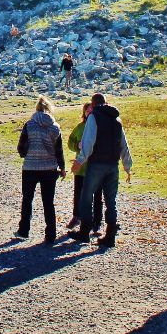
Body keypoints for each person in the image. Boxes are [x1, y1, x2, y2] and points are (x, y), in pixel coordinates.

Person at [69, 92, 133, 249]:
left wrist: (80, 161)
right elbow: (123, 145)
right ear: (106, 102)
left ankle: (84, 232)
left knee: (86, 196)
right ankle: (110, 236)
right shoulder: (117, 119)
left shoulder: (94, 117)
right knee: (110, 201)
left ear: (93, 104)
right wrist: (127, 166)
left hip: (97, 163)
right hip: (113, 165)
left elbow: (88, 142)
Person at [16, 95, 65, 243]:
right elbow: (59, 151)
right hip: (49, 168)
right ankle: (51, 234)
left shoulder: (29, 125)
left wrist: (25, 153)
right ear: (49, 109)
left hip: (30, 167)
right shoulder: (55, 127)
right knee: (48, 202)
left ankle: (24, 230)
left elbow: (21, 147)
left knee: (27, 199)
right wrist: (62, 167)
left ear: (36, 109)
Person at [66, 101, 104, 236]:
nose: (89, 112)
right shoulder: (80, 127)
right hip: (81, 167)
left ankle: (97, 221)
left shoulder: (100, 126)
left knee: (97, 195)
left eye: (91, 109)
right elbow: (70, 143)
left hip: (96, 167)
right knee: (78, 194)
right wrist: (77, 145)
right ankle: (77, 217)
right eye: (87, 110)